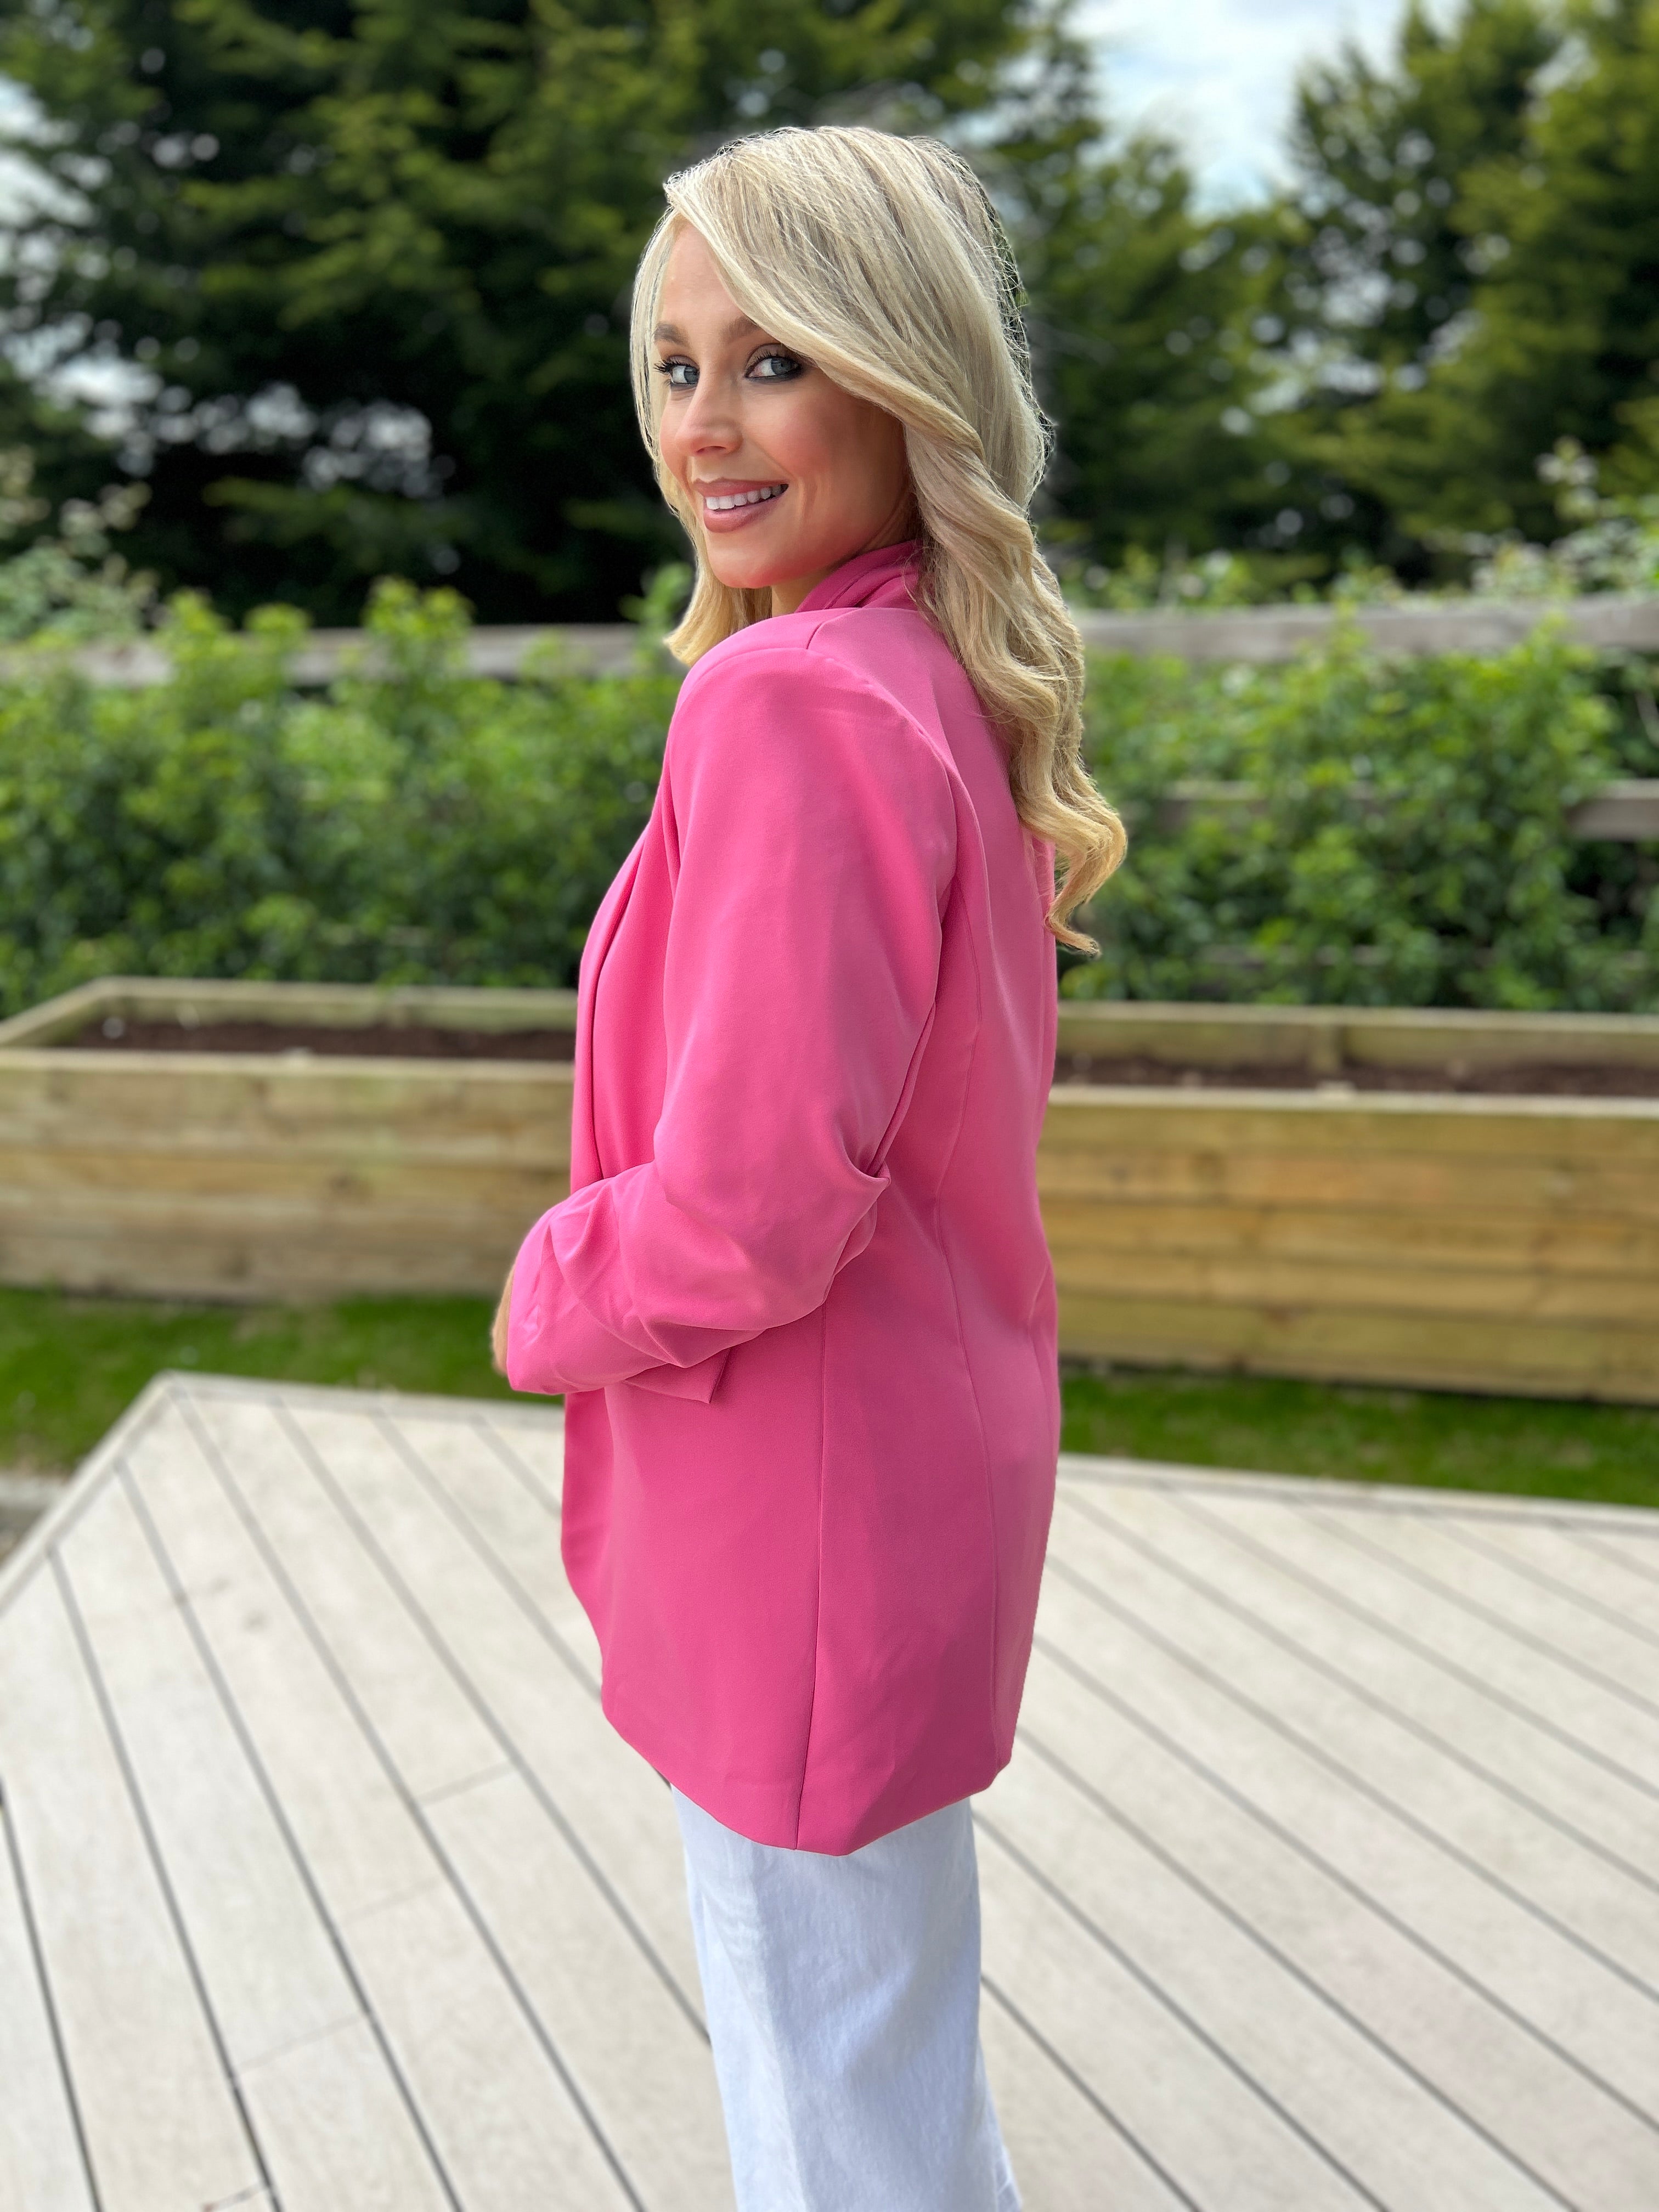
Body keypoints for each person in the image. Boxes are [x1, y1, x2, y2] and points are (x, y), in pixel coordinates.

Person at [493, 123, 1124, 2212]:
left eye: (772, 360)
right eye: (676, 366)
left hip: (804, 1504)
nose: (705, 423)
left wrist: (551, 1289)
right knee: (883, 2064)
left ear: (903, 373)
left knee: (832, 2102)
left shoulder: (793, 702)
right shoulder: (927, 679)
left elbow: (754, 1208)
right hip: (902, 1478)